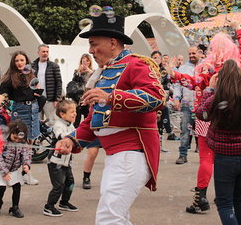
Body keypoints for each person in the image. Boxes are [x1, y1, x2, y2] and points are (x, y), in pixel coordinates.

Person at [55, 14, 165, 224]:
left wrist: (111, 97)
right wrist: (72, 139)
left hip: (131, 154)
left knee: (108, 218)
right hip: (117, 157)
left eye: (94, 44)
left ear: (113, 43)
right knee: (117, 218)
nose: (90, 50)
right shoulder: (104, 73)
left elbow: (157, 97)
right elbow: (95, 119)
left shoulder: (135, 65)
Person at [171, 20, 241, 214]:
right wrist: (238, 28)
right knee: (229, 153)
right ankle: (229, 194)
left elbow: (192, 83)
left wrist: (172, 73)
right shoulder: (238, 65)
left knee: (206, 157)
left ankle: (201, 198)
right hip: (232, 116)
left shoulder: (206, 68)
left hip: (204, 117)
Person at [195, 60, 241, 225]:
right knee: (240, 200)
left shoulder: (216, 100)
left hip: (225, 158)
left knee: (225, 203)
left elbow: (200, 113)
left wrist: (210, 89)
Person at [0, 50, 42, 185]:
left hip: (33, 110)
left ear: (26, 61)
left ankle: (25, 172)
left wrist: (38, 92)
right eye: (17, 61)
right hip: (20, 110)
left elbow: (36, 89)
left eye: (22, 60)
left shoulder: (30, 75)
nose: (19, 63)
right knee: (20, 144)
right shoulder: (10, 77)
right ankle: (18, 173)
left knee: (30, 143)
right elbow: (1, 93)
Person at [0, 119, 32, 218]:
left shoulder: (23, 142)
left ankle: (15, 207)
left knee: (17, 187)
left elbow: (26, 153)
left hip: (14, 170)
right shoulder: (2, 140)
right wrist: (5, 172)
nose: (17, 140)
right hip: (1, 169)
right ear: (10, 132)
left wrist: (26, 164)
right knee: (1, 187)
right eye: (15, 137)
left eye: (19, 139)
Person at [43, 97, 78, 217]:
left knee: (70, 182)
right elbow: (61, 136)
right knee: (58, 185)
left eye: (75, 111)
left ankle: (64, 202)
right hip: (55, 162)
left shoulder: (71, 125)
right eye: (72, 112)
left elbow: (75, 135)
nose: (75, 114)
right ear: (62, 114)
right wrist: (72, 138)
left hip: (66, 161)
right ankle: (49, 206)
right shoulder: (58, 125)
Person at [172, 46, 201, 164]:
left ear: (200, 53)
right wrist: (177, 99)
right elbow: (178, 85)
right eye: (189, 54)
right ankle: (182, 154)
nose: (191, 56)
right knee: (184, 130)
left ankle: (205, 155)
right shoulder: (183, 68)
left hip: (202, 104)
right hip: (187, 104)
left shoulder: (205, 66)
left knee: (203, 131)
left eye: (193, 53)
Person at [31, 44, 62, 126]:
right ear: (38, 53)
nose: (45, 53)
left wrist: (57, 99)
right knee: (36, 122)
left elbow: (59, 83)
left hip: (50, 100)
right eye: (43, 51)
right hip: (36, 99)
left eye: (47, 52)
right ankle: (38, 138)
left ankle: (53, 138)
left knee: (52, 122)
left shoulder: (54, 66)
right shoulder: (32, 66)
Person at [151, 50, 173, 153]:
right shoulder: (148, 70)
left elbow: (167, 86)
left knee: (160, 124)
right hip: (151, 100)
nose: (156, 59)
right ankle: (152, 144)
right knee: (151, 123)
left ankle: (159, 144)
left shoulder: (164, 72)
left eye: (158, 57)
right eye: (154, 57)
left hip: (161, 100)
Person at [71, 53, 94, 128]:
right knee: (76, 118)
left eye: (87, 61)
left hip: (88, 97)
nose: (85, 63)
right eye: (83, 61)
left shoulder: (92, 72)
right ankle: (75, 133)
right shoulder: (77, 71)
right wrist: (79, 73)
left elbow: (93, 83)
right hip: (78, 98)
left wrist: (88, 71)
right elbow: (73, 83)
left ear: (90, 62)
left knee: (87, 117)